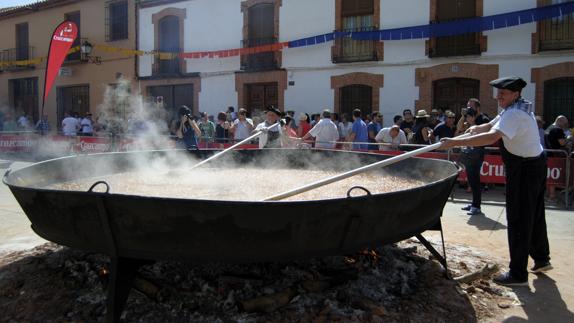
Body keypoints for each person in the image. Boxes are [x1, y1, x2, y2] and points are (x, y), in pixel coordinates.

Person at [441, 76, 551, 286]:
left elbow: (491, 138)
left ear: (516, 94)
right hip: (534, 164)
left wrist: (453, 142)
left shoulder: (515, 114)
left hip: (525, 168)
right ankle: (542, 259)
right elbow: (491, 126)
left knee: (518, 217)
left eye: (503, 93)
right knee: (534, 212)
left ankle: (518, 273)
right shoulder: (513, 109)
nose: (499, 97)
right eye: (498, 93)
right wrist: (476, 128)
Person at [458, 108, 484, 215]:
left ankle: (476, 206)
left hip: (476, 157)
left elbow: (478, 142)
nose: (467, 118)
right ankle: (474, 204)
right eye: (466, 116)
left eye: (469, 116)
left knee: (475, 182)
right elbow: (459, 128)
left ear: (473, 117)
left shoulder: (477, 128)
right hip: (470, 157)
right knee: (471, 181)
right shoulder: (468, 127)